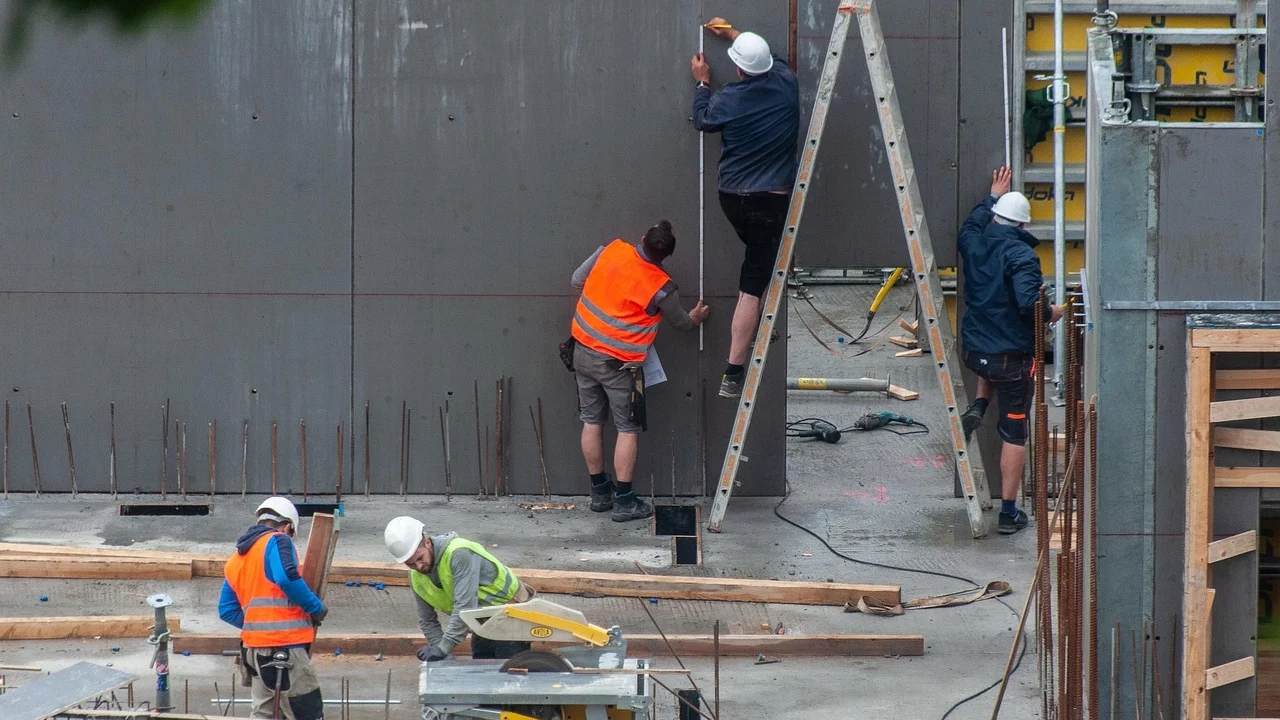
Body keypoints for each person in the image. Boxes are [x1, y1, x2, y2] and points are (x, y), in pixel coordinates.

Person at [570, 221, 710, 521]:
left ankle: (600, 494)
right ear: (667, 254)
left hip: (582, 350)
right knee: (627, 429)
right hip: (619, 366)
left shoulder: (611, 250)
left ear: (643, 238)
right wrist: (696, 318)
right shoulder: (661, 287)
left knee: (591, 421)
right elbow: (682, 323)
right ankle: (624, 501)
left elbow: (577, 281)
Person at [691, 18, 800, 398]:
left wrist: (702, 83)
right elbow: (771, 58)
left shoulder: (728, 99)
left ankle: (753, 325)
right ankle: (734, 371)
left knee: (759, 266)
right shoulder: (787, 82)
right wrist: (736, 34)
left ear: (737, 69)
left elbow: (702, 120)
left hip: (732, 198)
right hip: (770, 201)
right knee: (751, 285)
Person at [956, 167, 1062, 535]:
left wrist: (991, 196)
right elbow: (1030, 306)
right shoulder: (1021, 255)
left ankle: (980, 404)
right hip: (1010, 360)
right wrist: (1052, 312)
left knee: (991, 362)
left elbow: (969, 226)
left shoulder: (974, 242)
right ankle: (1008, 512)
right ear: (1022, 224)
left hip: (975, 352)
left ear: (996, 217)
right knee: (1014, 433)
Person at [219, 497, 328, 720]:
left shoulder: (237, 558)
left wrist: (258, 626)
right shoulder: (278, 540)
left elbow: (226, 609)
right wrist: (315, 607)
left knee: (263, 715)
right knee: (307, 714)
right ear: (287, 527)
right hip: (284, 650)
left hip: (253, 653)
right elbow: (286, 578)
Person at [383, 516, 535, 661]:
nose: (419, 567)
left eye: (420, 558)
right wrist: (441, 654)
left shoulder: (459, 554)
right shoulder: (416, 577)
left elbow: (465, 605)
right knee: (481, 668)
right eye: (410, 564)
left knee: (508, 673)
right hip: (481, 620)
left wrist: (443, 648)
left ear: (427, 542)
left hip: (511, 613)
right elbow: (427, 621)